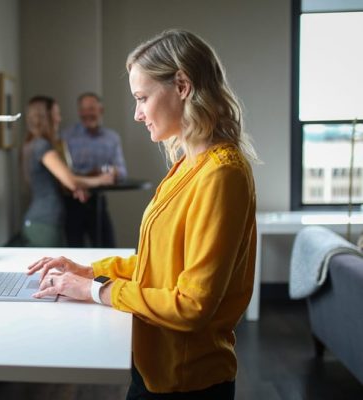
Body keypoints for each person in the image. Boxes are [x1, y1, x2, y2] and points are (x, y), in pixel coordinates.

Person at [27, 29, 258, 399]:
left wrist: (95, 291)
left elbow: (192, 305)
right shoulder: (188, 165)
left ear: (182, 85)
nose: (137, 114)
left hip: (187, 382)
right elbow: (161, 266)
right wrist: (90, 271)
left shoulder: (221, 174)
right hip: (153, 367)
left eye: (142, 98)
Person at [21, 96, 115, 248]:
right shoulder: (42, 146)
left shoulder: (34, 143)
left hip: (42, 222)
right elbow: (70, 179)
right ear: (46, 117)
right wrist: (101, 180)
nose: (59, 119)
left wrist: (76, 188)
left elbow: (63, 180)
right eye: (56, 114)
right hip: (45, 223)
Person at [60, 92, 128, 248]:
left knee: (108, 249)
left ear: (101, 110)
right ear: (79, 112)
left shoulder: (112, 137)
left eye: (91, 108)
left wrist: (110, 172)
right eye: (83, 109)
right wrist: (91, 178)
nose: (87, 113)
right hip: (72, 203)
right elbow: (64, 173)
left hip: (98, 203)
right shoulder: (66, 136)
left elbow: (122, 172)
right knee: (74, 253)